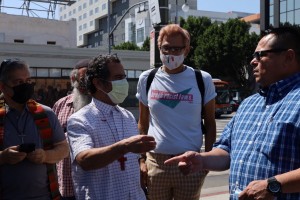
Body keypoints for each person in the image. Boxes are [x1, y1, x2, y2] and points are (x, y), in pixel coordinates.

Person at [165, 26, 300, 200]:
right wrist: (202, 160)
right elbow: (226, 150)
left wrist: (274, 186)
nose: (253, 61)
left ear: (288, 57)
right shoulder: (249, 104)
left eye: (260, 55)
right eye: (253, 56)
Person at [136, 24, 217, 200]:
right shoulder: (146, 79)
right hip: (155, 163)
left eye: (177, 48)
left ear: (186, 50)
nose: (171, 53)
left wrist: (206, 160)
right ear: (159, 48)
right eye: (166, 48)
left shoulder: (202, 79)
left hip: (189, 163)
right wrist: (141, 160)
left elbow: (210, 123)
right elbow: (142, 122)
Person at [67, 54, 156, 200]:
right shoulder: (80, 120)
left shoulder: (127, 116)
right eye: (118, 78)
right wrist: (124, 146)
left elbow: (133, 158)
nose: (124, 82)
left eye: (124, 77)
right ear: (98, 83)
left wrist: (141, 161)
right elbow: (85, 160)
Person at [0, 58, 69, 199]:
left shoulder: (45, 113)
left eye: (28, 81)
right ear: (3, 87)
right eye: (19, 82)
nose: (25, 86)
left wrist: (45, 155)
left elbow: (64, 149)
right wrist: (3, 157)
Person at [52, 59, 91, 200]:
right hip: (66, 183)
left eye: (92, 78)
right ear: (73, 79)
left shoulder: (103, 105)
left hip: (94, 184)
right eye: (84, 78)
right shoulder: (60, 105)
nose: (88, 82)